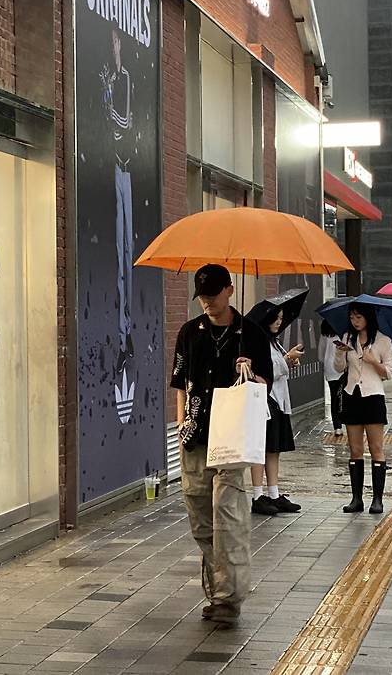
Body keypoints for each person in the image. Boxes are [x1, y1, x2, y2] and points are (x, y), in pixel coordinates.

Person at [171, 264, 273, 627]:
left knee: (227, 517)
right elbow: (181, 383)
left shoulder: (252, 335)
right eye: (202, 296)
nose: (207, 303)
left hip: (231, 438)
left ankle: (228, 599)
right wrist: (181, 422)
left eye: (213, 295)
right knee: (201, 521)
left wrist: (250, 371)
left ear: (229, 290)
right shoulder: (189, 332)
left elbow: (265, 388)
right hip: (195, 437)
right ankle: (219, 589)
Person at [334, 304, 392, 515]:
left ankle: (377, 499)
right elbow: (339, 368)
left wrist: (373, 362)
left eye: (358, 317)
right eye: (352, 317)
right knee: (355, 449)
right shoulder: (347, 338)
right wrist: (340, 353)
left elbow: (390, 372)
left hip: (373, 397)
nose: (355, 321)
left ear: (368, 317)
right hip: (353, 396)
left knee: (376, 448)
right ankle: (356, 499)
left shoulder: (382, 340)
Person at [102, 28, 134, 375]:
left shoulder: (122, 80)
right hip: (114, 170)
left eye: (116, 42)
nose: (114, 47)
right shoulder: (111, 79)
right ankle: (122, 335)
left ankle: (127, 335)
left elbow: (121, 123)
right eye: (110, 42)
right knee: (118, 254)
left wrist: (109, 95)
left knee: (127, 253)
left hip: (124, 172)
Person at [250, 308, 304, 516]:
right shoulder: (257, 341)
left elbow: (279, 366)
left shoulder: (274, 341)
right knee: (260, 448)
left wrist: (288, 360)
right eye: (275, 318)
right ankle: (257, 495)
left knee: (274, 448)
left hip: (279, 399)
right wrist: (286, 360)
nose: (279, 323)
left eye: (282, 319)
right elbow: (264, 370)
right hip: (265, 399)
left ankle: (273, 493)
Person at [318, 319, 344, 436]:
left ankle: (337, 426)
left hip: (330, 369)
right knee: (344, 396)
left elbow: (320, 354)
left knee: (334, 397)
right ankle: (344, 421)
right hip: (343, 369)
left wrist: (327, 361)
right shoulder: (344, 332)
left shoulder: (325, 333)